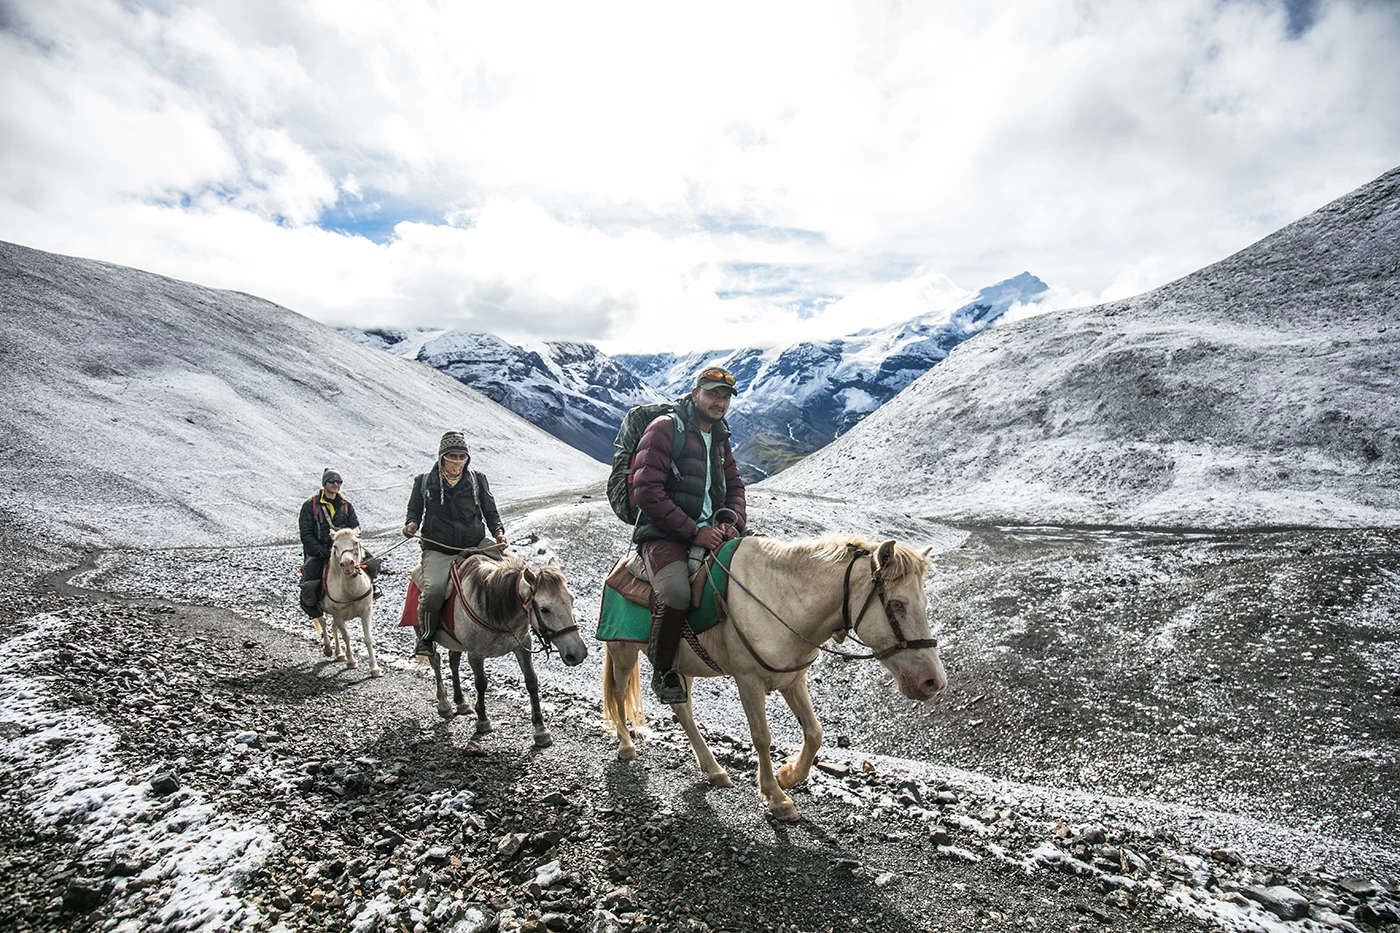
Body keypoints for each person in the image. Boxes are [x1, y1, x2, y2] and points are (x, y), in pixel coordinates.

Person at [630, 366, 747, 703]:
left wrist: (733, 521)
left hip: (714, 530)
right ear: (695, 394)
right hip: (663, 534)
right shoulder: (665, 429)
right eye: (712, 394)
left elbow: (735, 487)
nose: (719, 402)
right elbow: (647, 491)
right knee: (677, 594)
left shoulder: (721, 437)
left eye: (725, 397)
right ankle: (663, 670)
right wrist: (694, 531)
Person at [403, 431, 509, 657]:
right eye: (453, 456)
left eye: (462, 456)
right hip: (439, 548)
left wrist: (498, 533)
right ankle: (426, 637)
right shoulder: (424, 482)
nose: (457, 461)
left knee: (515, 574)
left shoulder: (477, 479)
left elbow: (491, 512)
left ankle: (517, 625)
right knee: (434, 591)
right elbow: (414, 510)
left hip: (476, 542)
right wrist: (411, 524)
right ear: (442, 456)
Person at [298, 468, 378, 617]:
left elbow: (355, 527)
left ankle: (371, 591)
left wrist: (348, 543)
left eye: (339, 482)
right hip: (320, 552)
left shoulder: (346, 505)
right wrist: (322, 551)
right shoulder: (310, 506)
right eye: (332, 481)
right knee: (310, 582)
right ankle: (312, 606)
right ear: (324, 484)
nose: (336, 484)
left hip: (345, 550)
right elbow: (306, 534)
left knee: (373, 564)